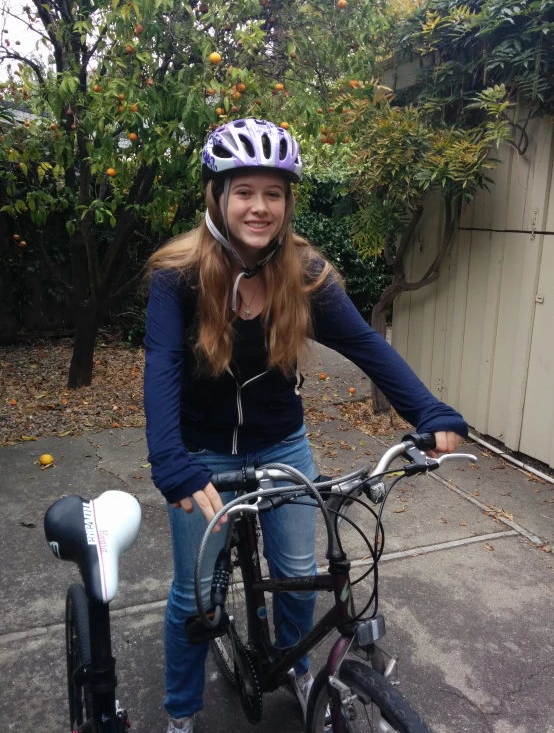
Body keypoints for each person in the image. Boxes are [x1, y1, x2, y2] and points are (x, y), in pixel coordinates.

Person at [143, 118, 467, 733]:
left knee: (296, 579)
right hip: (200, 454)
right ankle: (180, 716)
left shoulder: (305, 273)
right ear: (218, 196)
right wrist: (169, 459)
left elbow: (368, 348)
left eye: (273, 194)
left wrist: (429, 409)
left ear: (288, 202)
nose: (259, 207)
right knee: (195, 600)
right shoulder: (177, 276)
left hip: (281, 446)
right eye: (245, 191)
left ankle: (293, 666)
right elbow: (160, 367)